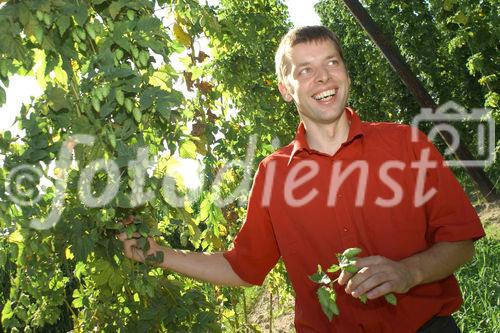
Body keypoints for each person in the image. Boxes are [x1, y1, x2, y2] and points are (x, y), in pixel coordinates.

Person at [118, 26, 485, 332]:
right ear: (285, 88)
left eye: (331, 63)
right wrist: (157, 254)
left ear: (345, 73)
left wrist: (409, 272)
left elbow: (460, 241)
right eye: (305, 70)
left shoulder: (406, 144)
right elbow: (243, 268)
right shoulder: (273, 174)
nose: (323, 76)